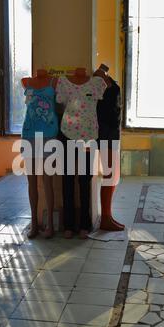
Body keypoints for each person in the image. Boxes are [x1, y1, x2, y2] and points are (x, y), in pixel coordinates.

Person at [56, 68, 107, 239]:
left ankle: (85, 224)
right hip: (67, 134)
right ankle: (68, 225)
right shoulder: (63, 82)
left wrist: (101, 72)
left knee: (85, 179)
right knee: (68, 179)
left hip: (89, 137)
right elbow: (60, 101)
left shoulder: (97, 83)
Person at [21, 69, 58, 239]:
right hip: (29, 134)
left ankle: (50, 223)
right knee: (31, 182)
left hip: (49, 134)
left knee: (47, 181)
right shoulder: (26, 82)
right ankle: (34, 223)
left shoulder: (54, 81)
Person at [94, 64, 125, 231]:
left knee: (112, 176)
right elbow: (98, 73)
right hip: (105, 132)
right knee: (109, 175)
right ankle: (105, 218)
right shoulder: (98, 77)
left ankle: (108, 215)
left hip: (112, 132)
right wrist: (103, 73)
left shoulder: (105, 79)